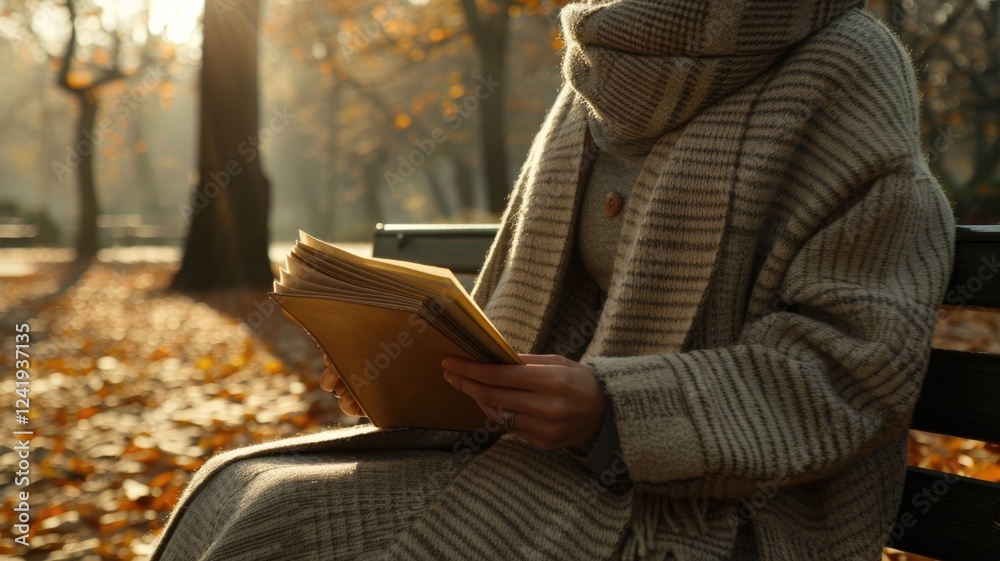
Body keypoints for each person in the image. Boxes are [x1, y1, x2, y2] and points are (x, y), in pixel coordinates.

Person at [149, 1, 956, 560]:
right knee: (237, 487)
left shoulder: (846, 65)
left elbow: (856, 365)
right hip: (541, 460)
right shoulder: (602, 63)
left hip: (727, 513)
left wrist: (617, 407)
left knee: (284, 527)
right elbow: (519, 312)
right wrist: (406, 372)